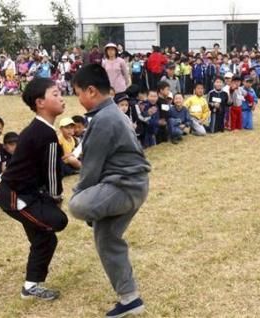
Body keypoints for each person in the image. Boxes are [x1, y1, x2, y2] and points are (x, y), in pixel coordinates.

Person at [69, 64, 151, 317]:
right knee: (106, 240)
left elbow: (90, 171)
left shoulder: (104, 119)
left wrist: (81, 199)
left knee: (76, 205)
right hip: (131, 186)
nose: (78, 99)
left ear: (91, 91)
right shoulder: (113, 113)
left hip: (124, 187)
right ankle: (130, 300)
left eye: (78, 93)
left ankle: (92, 213)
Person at [0, 77, 68, 300]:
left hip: (29, 193)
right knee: (58, 221)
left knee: (45, 238)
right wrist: (55, 197)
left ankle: (30, 287)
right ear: (40, 102)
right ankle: (30, 287)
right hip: (15, 197)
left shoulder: (39, 130)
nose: (61, 98)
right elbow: (52, 173)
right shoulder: (45, 133)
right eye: (55, 94)